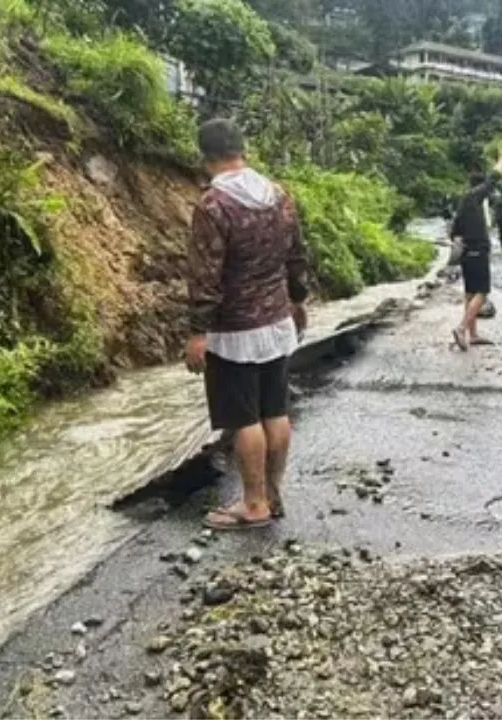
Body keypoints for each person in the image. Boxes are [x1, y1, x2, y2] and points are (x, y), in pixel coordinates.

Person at [185, 118, 309, 531]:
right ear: (243, 150)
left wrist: (197, 332)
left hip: (234, 331)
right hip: (277, 322)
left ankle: (253, 504)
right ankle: (272, 495)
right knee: (275, 410)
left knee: (244, 418)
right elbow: (296, 255)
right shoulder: (279, 195)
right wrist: (298, 298)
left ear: (205, 157)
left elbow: (206, 275)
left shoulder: (213, 206)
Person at [450, 150, 502, 350]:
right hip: (477, 250)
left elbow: (454, 232)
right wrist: (501, 159)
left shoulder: (462, 203)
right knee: (482, 293)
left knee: (470, 293)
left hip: (467, 252)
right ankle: (461, 328)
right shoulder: (473, 197)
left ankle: (473, 334)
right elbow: (492, 179)